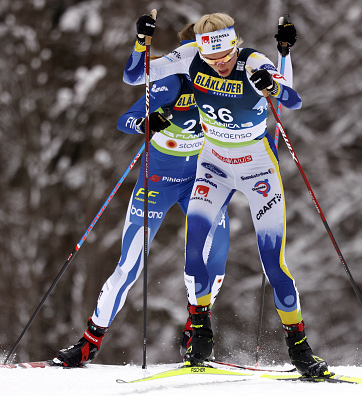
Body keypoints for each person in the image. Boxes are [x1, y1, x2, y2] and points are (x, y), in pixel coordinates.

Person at [123, 12, 329, 377]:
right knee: (194, 252)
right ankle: (199, 331)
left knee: (273, 262)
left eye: (226, 57)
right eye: (212, 59)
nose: (220, 65)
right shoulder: (190, 57)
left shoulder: (253, 62)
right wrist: (142, 41)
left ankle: (300, 348)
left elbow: (293, 101)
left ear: (235, 44)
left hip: (257, 167)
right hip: (213, 162)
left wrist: (273, 84)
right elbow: (135, 76)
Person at [50, 24, 230, 367]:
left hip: (202, 181)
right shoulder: (172, 82)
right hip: (158, 182)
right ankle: (89, 342)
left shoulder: (224, 84)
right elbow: (125, 119)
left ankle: (195, 328)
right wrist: (146, 123)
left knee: (216, 258)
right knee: (129, 266)